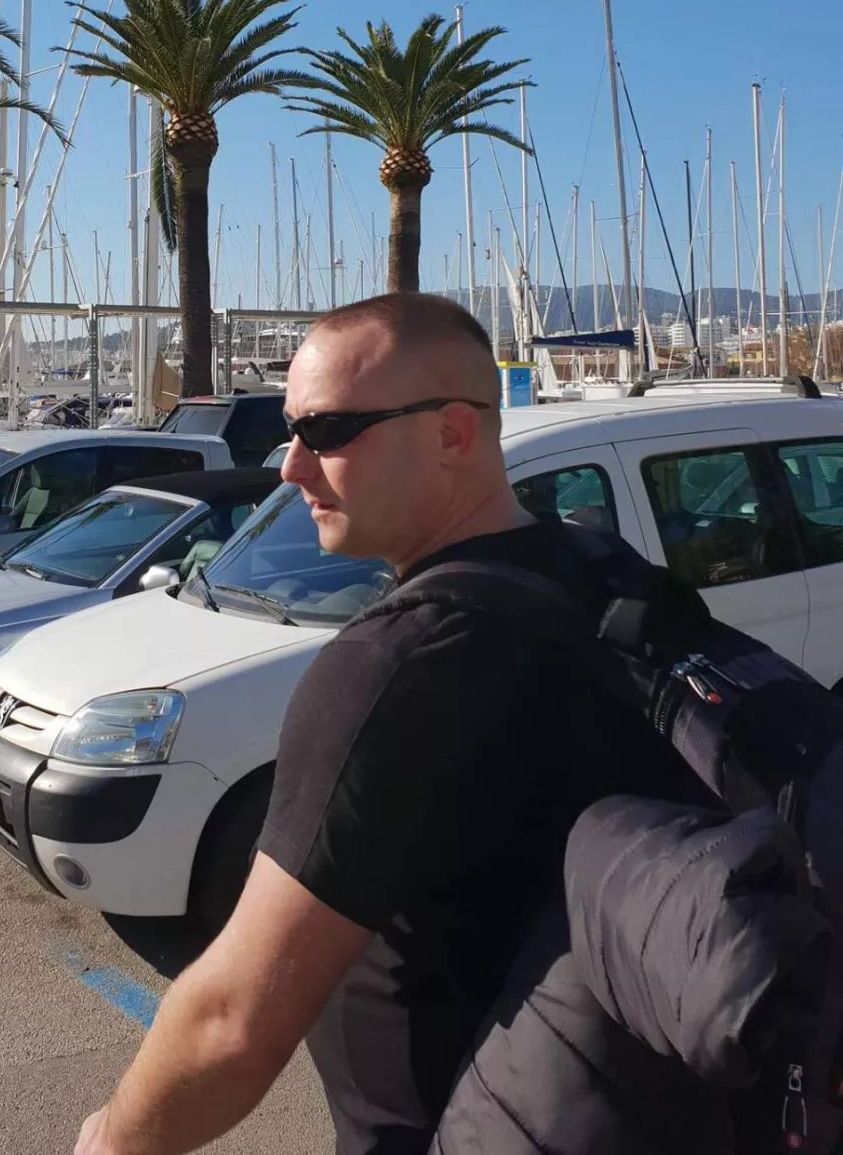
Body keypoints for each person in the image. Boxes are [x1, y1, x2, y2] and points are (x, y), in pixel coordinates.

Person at [75, 292, 699, 1155]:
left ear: (451, 433)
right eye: (289, 431)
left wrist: (111, 1139)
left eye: (327, 430)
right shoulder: (617, 574)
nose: (291, 467)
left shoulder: (394, 666)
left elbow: (232, 1022)